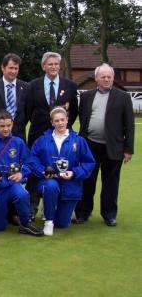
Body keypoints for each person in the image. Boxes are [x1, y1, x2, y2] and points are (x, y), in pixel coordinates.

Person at [74, 63, 135, 226]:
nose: (106, 79)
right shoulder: (86, 96)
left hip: (113, 147)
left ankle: (109, 214)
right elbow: (84, 120)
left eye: (109, 76)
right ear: (96, 78)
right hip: (89, 146)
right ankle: (82, 212)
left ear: (113, 78)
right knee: (87, 180)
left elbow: (129, 125)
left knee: (111, 183)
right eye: (103, 76)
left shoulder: (123, 97)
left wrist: (128, 149)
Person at [25, 51, 79, 218]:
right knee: (36, 171)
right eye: (50, 64)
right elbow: (28, 111)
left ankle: (54, 207)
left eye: (56, 64)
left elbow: (74, 111)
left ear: (59, 66)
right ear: (43, 66)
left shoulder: (70, 86)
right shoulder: (33, 85)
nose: (54, 67)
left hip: (61, 137)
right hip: (38, 136)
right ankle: (32, 207)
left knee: (60, 169)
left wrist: (63, 127)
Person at [29, 107, 95, 236]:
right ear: (52, 122)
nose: (60, 123)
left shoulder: (78, 140)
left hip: (70, 184)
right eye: (56, 120)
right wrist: (43, 171)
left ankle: (53, 213)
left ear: (67, 120)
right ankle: (48, 221)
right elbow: (32, 159)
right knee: (51, 186)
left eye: (62, 120)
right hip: (48, 181)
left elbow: (89, 162)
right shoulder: (42, 139)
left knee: (63, 224)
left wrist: (74, 173)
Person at [0, 111, 43, 236]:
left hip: (12, 184)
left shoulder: (18, 142)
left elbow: (29, 161)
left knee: (22, 194)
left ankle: (25, 223)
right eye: (2, 126)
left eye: (8, 125)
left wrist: (21, 173)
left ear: (12, 124)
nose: (6, 129)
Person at [0, 53, 28, 140]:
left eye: (16, 68)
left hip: (18, 135)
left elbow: (27, 111)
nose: (13, 71)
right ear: (3, 68)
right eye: (11, 68)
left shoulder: (26, 87)